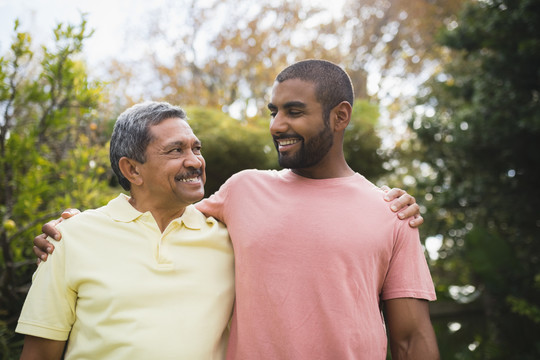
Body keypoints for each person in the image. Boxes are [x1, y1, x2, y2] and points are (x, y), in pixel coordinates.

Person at [34, 60, 436, 359]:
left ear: (340, 116)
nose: (277, 124)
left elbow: (412, 339)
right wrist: (76, 225)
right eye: (273, 112)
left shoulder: (392, 213)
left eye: (293, 111)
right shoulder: (243, 190)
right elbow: (157, 209)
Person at [16, 102, 235, 359]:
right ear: (132, 169)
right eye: (176, 150)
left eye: (196, 148)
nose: (195, 161)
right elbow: (39, 354)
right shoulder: (68, 238)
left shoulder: (231, 240)